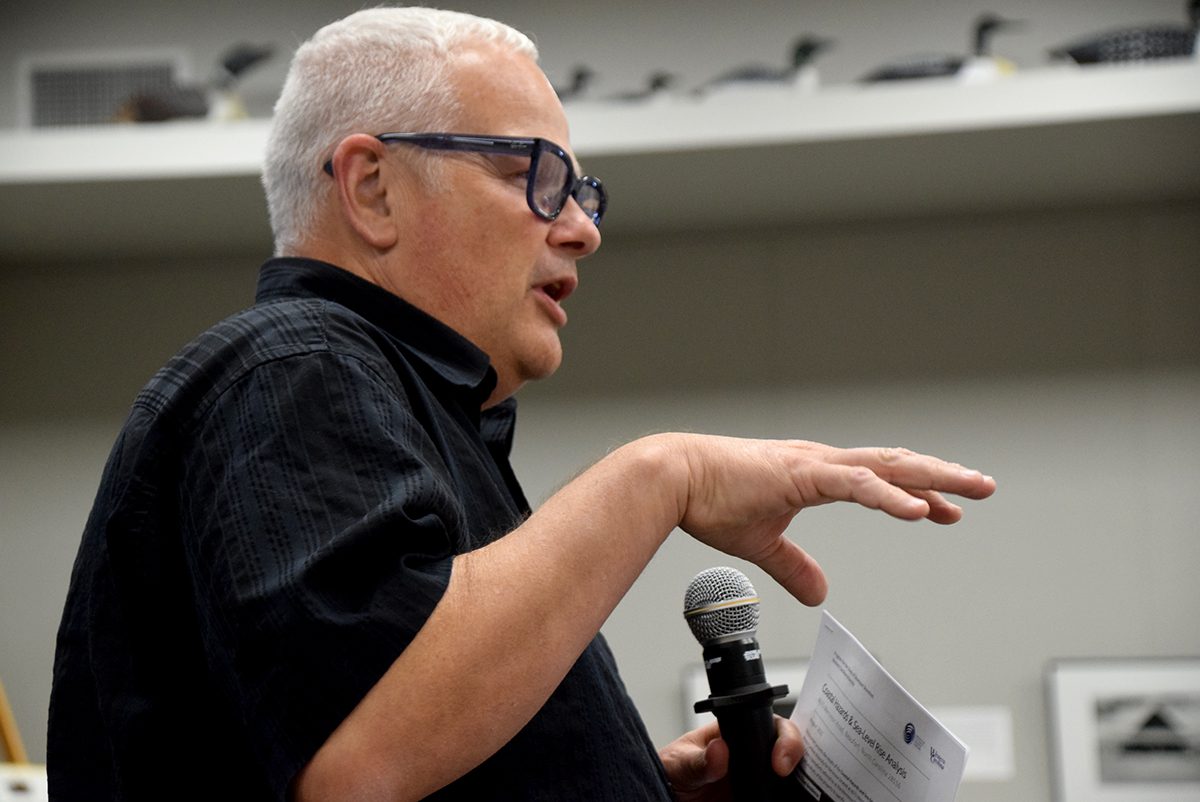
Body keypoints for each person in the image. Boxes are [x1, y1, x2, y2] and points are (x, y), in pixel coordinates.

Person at [47, 7, 996, 801]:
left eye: (581, 190)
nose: (581, 229)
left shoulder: (393, 401)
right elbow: (360, 756)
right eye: (532, 175)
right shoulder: (293, 366)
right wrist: (665, 473)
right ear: (372, 188)